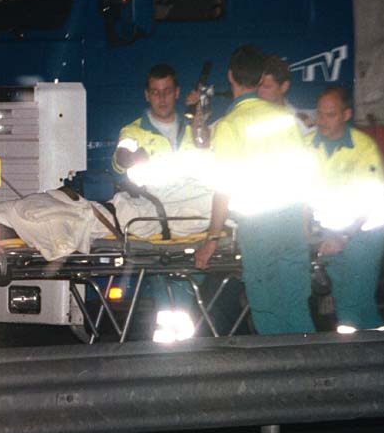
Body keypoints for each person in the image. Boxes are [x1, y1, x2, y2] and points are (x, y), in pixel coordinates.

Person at [193, 45, 317, 335]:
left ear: (230, 76)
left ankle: (278, 376)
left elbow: (223, 188)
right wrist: (304, 223)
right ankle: (313, 373)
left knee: (267, 310)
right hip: (291, 224)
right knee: (297, 306)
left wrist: (212, 239)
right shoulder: (285, 119)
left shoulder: (230, 126)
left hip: (259, 229)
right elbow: (304, 174)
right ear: (261, 76)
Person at [112, 64, 198, 341]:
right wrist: (129, 158)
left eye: (167, 91)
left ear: (177, 93)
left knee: (189, 293)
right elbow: (120, 160)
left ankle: (181, 355)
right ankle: (172, 356)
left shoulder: (193, 129)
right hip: (155, 225)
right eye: (155, 92)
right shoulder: (133, 132)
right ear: (147, 95)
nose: (161, 98)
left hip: (191, 222)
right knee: (169, 297)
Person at [305, 86, 384, 333]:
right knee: (359, 305)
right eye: (320, 114)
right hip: (327, 235)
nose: (322, 120)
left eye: (330, 114)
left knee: (350, 308)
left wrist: (343, 236)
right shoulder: (306, 145)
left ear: (346, 114)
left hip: (363, 234)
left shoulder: (364, 148)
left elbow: (371, 201)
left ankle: (350, 363)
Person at [257, 55, 315, 135]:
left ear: (284, 87)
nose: (259, 91)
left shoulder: (300, 124)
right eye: (257, 86)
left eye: (266, 87)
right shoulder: (245, 118)